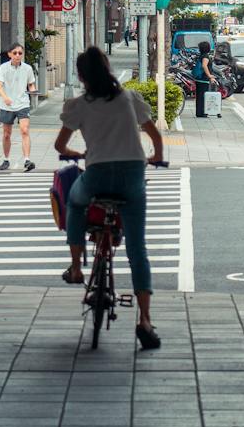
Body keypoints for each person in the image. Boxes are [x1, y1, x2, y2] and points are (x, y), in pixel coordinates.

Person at [54, 47, 166, 350]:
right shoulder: (130, 98)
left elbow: (60, 144)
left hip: (97, 175)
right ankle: (144, 319)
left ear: (81, 75)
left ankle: (77, 267)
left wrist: (78, 154)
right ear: (107, 68)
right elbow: (155, 136)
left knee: (74, 202)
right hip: (132, 175)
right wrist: (157, 156)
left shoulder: (78, 105)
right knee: (137, 249)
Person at [0, 41, 36, 172]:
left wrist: (33, 91)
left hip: (23, 103)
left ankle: (27, 160)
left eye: (20, 53)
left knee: (24, 130)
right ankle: (6, 159)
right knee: (7, 134)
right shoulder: (3, 68)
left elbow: (31, 84)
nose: (18, 55)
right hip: (7, 105)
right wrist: (5, 97)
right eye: (15, 53)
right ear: (9, 54)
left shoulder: (27, 68)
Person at [192, 40, 215, 118]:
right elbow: (204, 66)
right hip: (203, 78)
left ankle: (199, 112)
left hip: (199, 78)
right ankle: (202, 113)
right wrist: (209, 75)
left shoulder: (201, 55)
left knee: (199, 96)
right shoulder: (205, 56)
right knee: (203, 96)